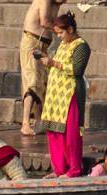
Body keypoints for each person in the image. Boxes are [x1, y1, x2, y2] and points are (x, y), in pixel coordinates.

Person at [37, 11, 90, 175]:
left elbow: (77, 70)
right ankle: (60, 169)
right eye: (57, 33)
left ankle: (74, 169)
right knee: (54, 133)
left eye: (61, 32)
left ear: (71, 29)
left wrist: (53, 63)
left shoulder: (81, 46)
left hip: (70, 94)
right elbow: (57, 65)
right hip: (55, 96)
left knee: (70, 134)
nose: (59, 36)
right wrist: (47, 61)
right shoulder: (63, 44)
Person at [20, 0, 71, 135]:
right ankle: (25, 123)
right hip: (32, 44)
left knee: (44, 82)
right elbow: (44, 22)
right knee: (33, 81)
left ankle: (39, 121)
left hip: (44, 45)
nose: (65, 1)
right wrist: (61, 30)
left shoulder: (56, 3)